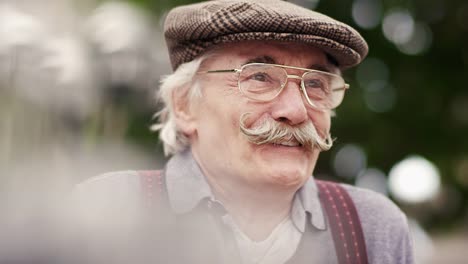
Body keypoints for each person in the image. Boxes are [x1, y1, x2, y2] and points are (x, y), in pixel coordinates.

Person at [73, 0, 414, 263]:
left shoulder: (372, 230)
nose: (295, 111)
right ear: (184, 105)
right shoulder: (107, 211)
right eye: (260, 77)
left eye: (315, 83)